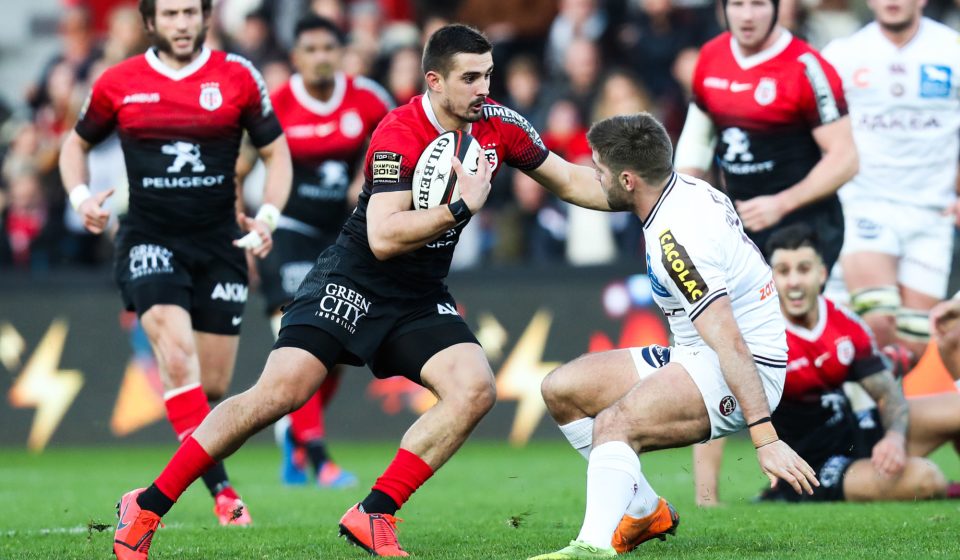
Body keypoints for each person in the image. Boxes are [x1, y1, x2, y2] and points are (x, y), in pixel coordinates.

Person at [111, 23, 613, 559]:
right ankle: (147, 503)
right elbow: (382, 235)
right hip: (352, 280)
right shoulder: (397, 131)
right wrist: (460, 207)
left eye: (488, 75)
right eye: (470, 78)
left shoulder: (498, 126)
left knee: (474, 388)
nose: (483, 89)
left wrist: (646, 195)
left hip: (418, 293)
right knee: (279, 394)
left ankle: (374, 513)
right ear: (435, 81)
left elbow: (570, 180)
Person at [530, 113, 817, 560]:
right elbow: (572, 183)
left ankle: (592, 547)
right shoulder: (676, 189)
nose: (596, 179)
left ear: (627, 180)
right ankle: (645, 511)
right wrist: (516, 147)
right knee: (562, 389)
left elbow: (730, 341)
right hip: (696, 351)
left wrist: (765, 437)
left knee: (615, 425)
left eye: (600, 171)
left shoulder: (677, 241)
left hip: (745, 367)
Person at [58, 0, 291, 527]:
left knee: (210, 391)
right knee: (177, 356)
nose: (182, 23)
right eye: (170, 14)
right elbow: (74, 146)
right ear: (150, 22)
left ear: (205, 17)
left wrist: (269, 215)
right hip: (149, 238)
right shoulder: (120, 82)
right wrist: (80, 199)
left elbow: (277, 152)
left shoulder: (237, 76)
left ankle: (196, 477)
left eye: (190, 12)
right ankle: (222, 493)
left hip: (220, 244)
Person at [695, 224, 960, 504]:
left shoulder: (844, 323)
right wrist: (706, 499)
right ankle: (779, 495)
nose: (794, 281)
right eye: (784, 271)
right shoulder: (759, 335)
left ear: (821, 274)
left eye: (804, 269)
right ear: (771, 279)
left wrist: (894, 437)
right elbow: (717, 407)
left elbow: (887, 393)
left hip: (856, 429)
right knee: (925, 479)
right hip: (815, 466)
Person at [248, 13, 392, 488]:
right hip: (288, 231)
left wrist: (364, 179)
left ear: (341, 52)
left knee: (332, 352)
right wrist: (245, 232)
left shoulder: (368, 98)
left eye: (328, 48)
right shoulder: (278, 103)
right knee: (301, 338)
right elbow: (241, 164)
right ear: (296, 57)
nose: (320, 57)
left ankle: (294, 437)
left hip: (344, 237)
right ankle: (321, 458)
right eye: (309, 50)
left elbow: (396, 144)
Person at [819, 0, 960, 356]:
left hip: (932, 215)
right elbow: (817, 132)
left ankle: (877, 411)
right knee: (879, 323)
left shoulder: (953, 51)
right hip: (867, 203)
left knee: (913, 343)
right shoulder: (843, 55)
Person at [673, 0, 858, 272]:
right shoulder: (711, 56)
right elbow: (698, 140)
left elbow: (846, 159)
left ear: (777, 7)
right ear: (721, 9)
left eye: (758, 4)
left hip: (804, 226)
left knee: (788, 313)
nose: (747, 16)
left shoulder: (807, 66)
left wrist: (781, 204)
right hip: (740, 228)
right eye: (737, 4)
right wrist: (679, 204)